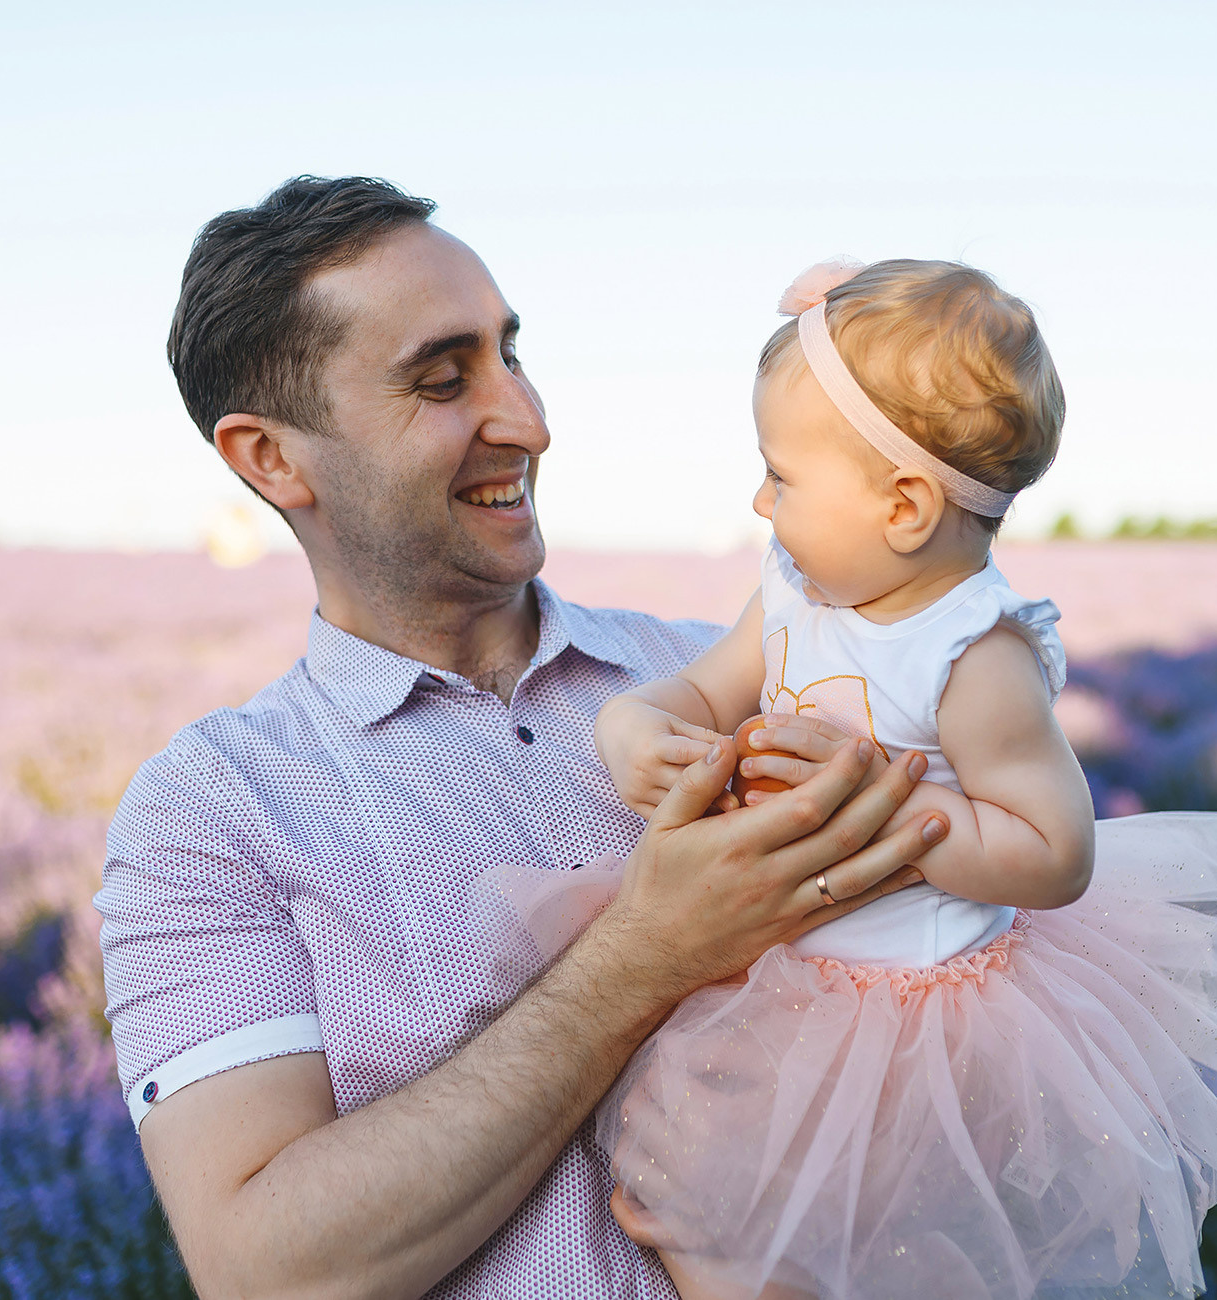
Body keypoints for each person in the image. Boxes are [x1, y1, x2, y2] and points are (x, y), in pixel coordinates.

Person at [94, 179, 952, 1300]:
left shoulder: (754, 677)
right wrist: (645, 955)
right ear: (269, 461)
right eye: (443, 381)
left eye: (512, 356)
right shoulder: (208, 818)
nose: (529, 421)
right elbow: (267, 1272)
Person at [482, 259, 1217, 1299]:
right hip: (776, 971)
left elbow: (1053, 849)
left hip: (913, 1015)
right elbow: (698, 690)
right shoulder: (789, 591)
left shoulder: (968, 652)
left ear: (902, 505)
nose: (758, 497)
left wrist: (889, 802)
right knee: (698, 1196)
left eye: (782, 473)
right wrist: (635, 726)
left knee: (882, 1244)